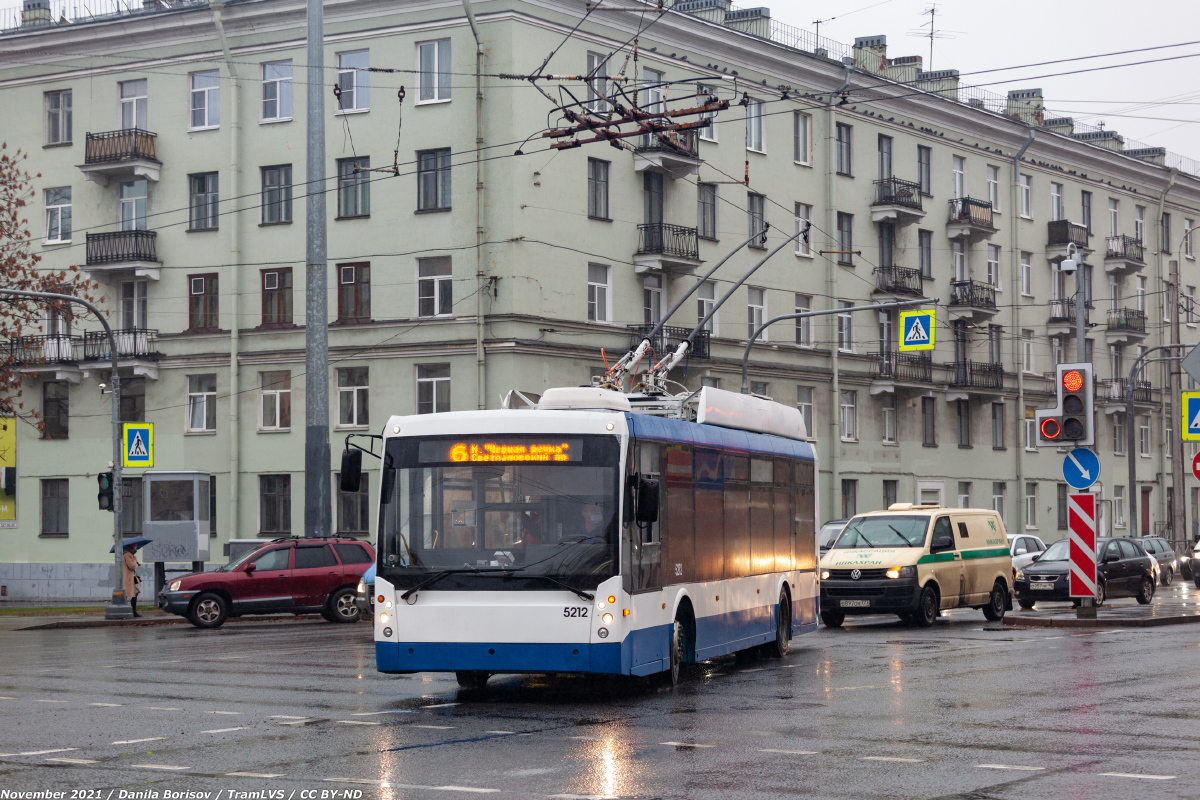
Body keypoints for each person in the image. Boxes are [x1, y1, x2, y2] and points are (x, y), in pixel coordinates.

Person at [122, 543, 141, 618]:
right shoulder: (127, 555)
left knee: (133, 594)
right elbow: (132, 566)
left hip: (130, 578)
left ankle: (133, 611)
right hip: (128, 578)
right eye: (134, 547)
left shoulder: (129, 555)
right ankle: (131, 611)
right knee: (128, 594)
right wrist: (135, 562)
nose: (135, 548)